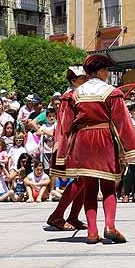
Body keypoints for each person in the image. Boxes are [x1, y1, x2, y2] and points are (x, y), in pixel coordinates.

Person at [57, 54, 135, 244]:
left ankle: (92, 231)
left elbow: (66, 125)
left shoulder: (74, 94)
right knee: (109, 186)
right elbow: (122, 123)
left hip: (82, 140)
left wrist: (65, 151)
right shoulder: (112, 92)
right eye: (107, 70)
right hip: (104, 139)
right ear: (102, 71)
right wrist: (130, 150)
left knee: (90, 188)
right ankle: (110, 225)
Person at [45, 66, 89, 232]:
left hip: (83, 141)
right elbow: (65, 123)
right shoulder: (68, 97)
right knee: (81, 180)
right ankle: (57, 215)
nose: (85, 79)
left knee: (85, 181)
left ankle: (73, 216)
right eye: (81, 78)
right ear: (73, 81)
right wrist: (64, 145)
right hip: (74, 143)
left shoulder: (79, 95)